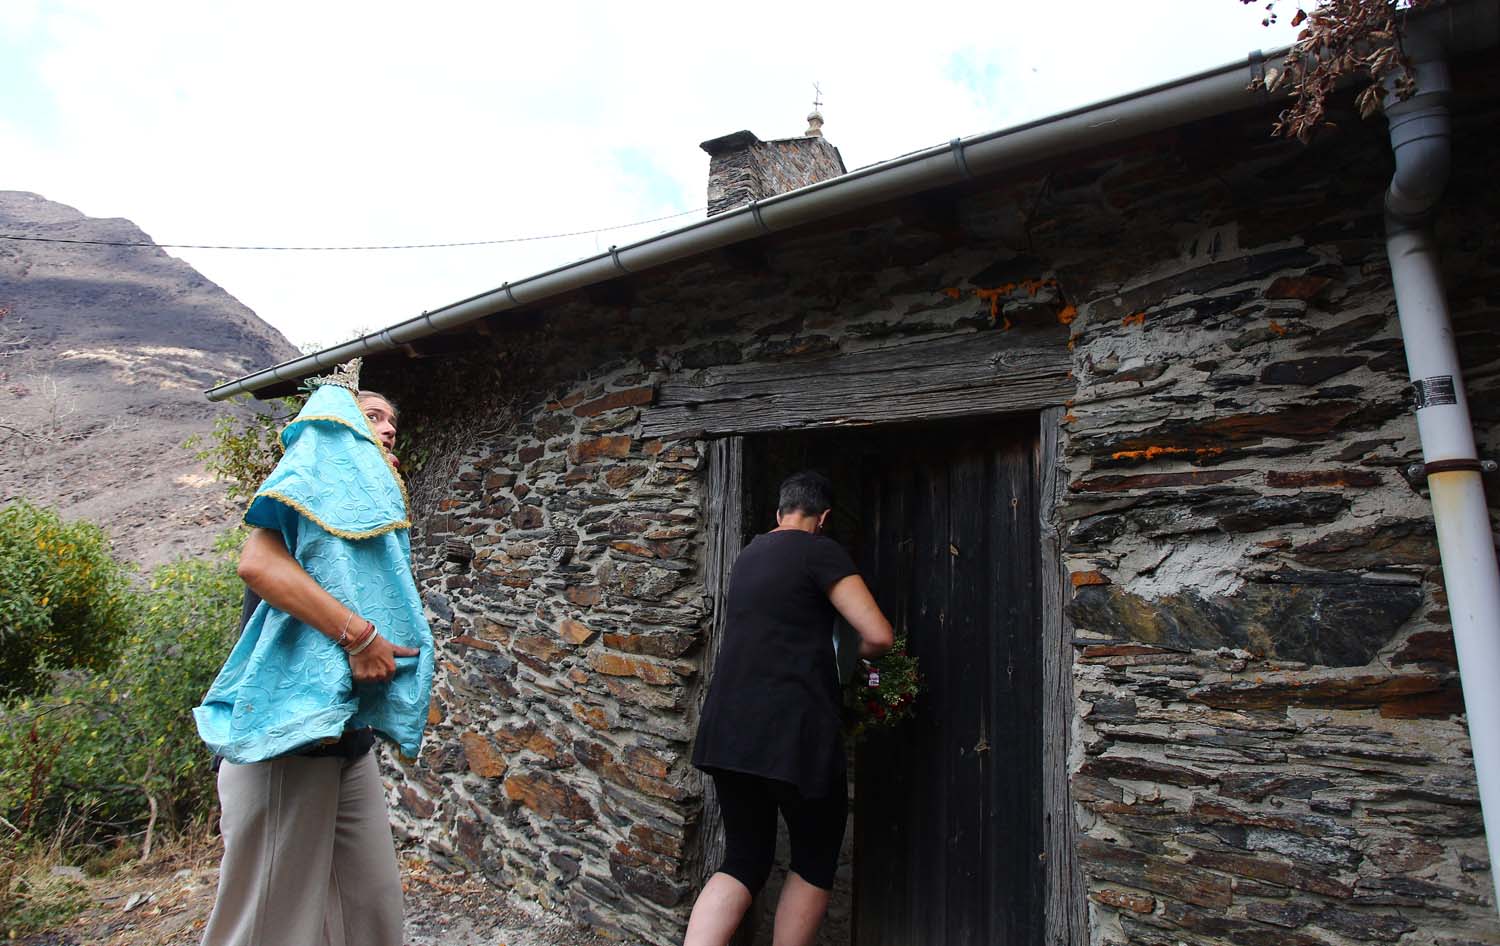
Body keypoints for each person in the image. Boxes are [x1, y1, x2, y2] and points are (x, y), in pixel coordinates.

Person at [194, 360, 435, 946]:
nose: (383, 429)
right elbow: (257, 563)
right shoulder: (309, 483)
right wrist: (361, 637)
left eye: (391, 426)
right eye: (369, 416)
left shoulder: (362, 514)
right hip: (287, 744)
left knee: (371, 913)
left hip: (347, 747)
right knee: (268, 929)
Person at [686, 470, 893, 946]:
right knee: (815, 859)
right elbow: (878, 635)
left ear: (779, 513)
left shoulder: (748, 555)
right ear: (822, 518)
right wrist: (842, 654)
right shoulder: (819, 551)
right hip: (793, 733)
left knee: (742, 860)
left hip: (728, 731)